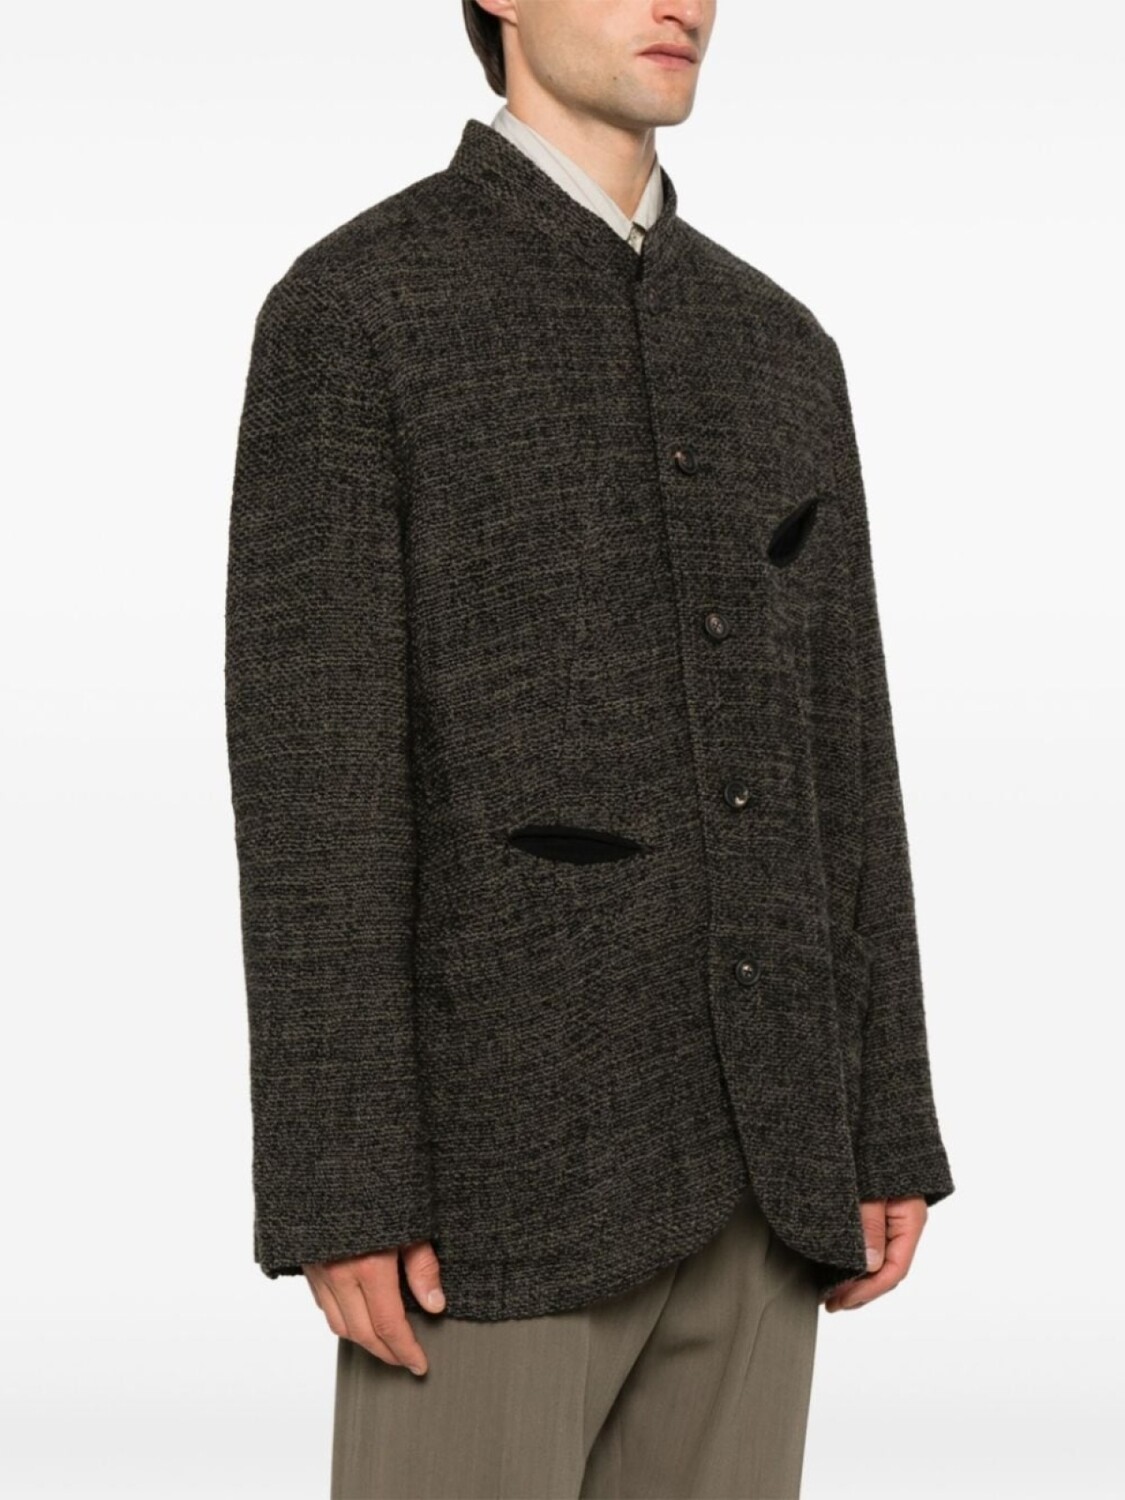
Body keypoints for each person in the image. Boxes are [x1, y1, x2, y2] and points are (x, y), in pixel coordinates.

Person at [224, 2, 956, 1496]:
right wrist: (341, 1177)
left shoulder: (780, 347)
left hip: (770, 1161)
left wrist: (886, 1117)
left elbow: (846, 751)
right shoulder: (358, 312)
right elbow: (313, 783)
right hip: (493, 1173)